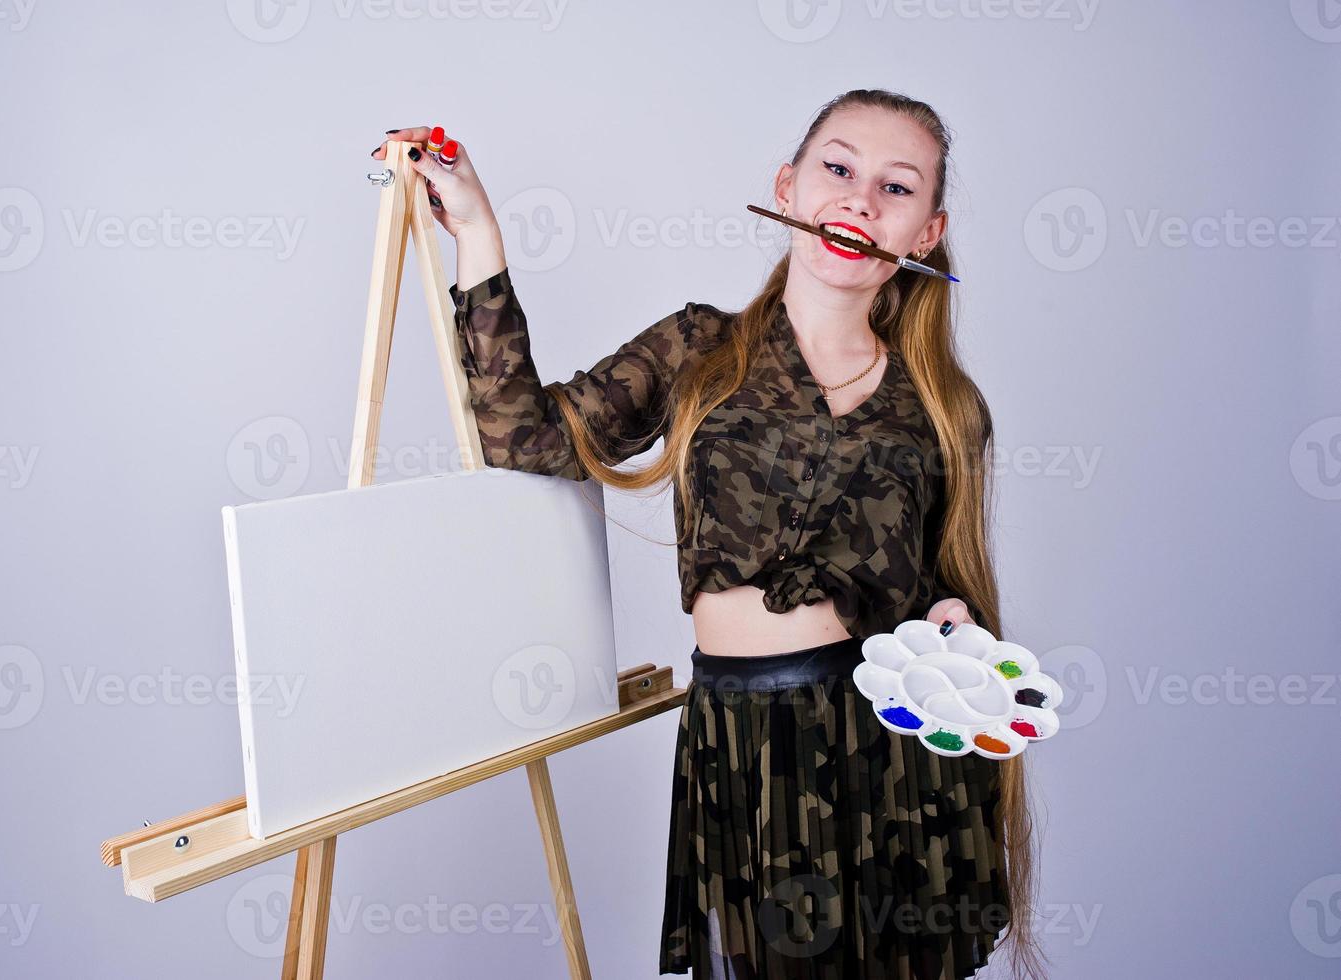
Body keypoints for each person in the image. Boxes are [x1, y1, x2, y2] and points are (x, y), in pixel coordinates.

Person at [372, 88, 1047, 980]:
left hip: (888, 753)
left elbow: (929, 579)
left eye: (896, 188)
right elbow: (527, 442)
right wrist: (478, 232)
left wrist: (951, 613)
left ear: (925, 233)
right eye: (837, 170)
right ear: (788, 186)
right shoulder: (700, 347)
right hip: (745, 743)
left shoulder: (944, 403)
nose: (858, 200)